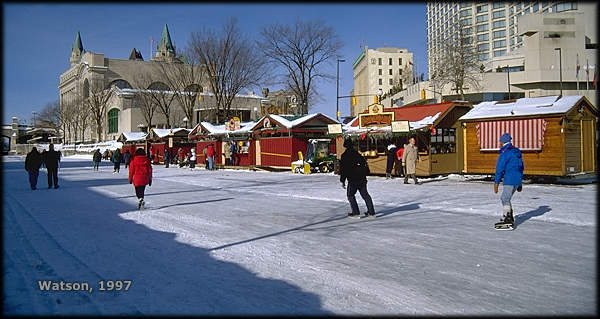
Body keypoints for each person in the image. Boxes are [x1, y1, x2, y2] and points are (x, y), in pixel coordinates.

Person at [339, 138, 376, 218]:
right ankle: (371, 212)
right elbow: (364, 165)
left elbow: (343, 169)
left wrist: (342, 180)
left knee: (350, 195)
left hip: (352, 179)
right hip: (362, 178)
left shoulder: (344, 156)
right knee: (365, 195)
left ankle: (356, 213)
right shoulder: (358, 154)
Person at [494, 133, 524, 226]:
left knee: (505, 198)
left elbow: (499, 168)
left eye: (500, 141)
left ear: (502, 142)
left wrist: (496, 183)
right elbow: (521, 167)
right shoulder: (516, 152)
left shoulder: (505, 153)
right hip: (517, 179)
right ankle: (509, 216)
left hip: (509, 179)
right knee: (507, 198)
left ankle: (507, 217)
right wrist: (520, 182)